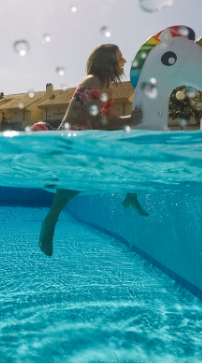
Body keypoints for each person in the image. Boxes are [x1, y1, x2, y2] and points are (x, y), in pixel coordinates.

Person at [35, 44, 148, 257]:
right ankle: (51, 219)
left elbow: (112, 120)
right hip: (71, 140)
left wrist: (129, 124)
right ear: (108, 61)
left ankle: (130, 196)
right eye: (120, 58)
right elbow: (99, 123)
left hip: (88, 140)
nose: (124, 62)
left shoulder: (108, 88)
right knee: (82, 179)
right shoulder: (91, 83)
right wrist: (131, 119)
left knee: (130, 156)